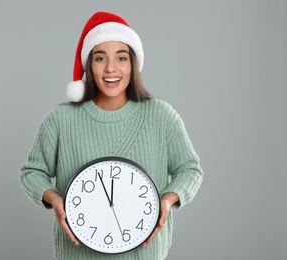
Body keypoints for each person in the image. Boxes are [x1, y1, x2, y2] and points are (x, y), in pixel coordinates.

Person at [19, 11, 203, 260]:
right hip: (76, 253)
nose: (111, 69)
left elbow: (190, 168)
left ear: (133, 64)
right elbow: (32, 172)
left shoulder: (161, 116)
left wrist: (169, 200)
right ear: (89, 65)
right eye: (100, 58)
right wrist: (53, 199)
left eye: (121, 57)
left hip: (145, 254)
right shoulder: (60, 120)